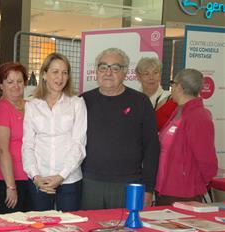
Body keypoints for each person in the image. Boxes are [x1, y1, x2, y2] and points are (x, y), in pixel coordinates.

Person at [81, 48, 159, 210]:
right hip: (89, 184)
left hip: (128, 184)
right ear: (96, 71)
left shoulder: (141, 102)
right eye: (103, 67)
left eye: (115, 68)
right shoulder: (83, 101)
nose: (108, 72)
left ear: (125, 73)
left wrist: (148, 189)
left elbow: (152, 147)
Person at [22, 53, 87, 211]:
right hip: (40, 180)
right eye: (55, 72)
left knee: (70, 229)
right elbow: (28, 145)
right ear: (44, 74)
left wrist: (61, 176)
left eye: (65, 72)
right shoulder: (32, 104)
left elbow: (78, 144)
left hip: (69, 179)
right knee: (40, 228)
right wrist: (36, 176)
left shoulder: (76, 103)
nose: (60, 77)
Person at [155, 69, 217, 205]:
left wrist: (196, 183)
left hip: (184, 193)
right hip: (165, 189)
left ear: (180, 87)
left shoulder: (198, 117)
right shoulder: (179, 111)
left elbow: (207, 160)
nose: (171, 88)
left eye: (173, 84)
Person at [0, 62, 34, 214]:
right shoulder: (2, 109)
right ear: (1, 85)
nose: (16, 86)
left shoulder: (30, 106)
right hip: (8, 182)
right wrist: (11, 186)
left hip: (30, 178)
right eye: (10, 82)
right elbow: (2, 151)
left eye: (19, 81)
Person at [135, 57, 177, 131]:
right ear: (138, 77)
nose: (151, 77)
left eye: (155, 73)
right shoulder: (132, 99)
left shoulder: (171, 99)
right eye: (146, 74)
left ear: (160, 75)